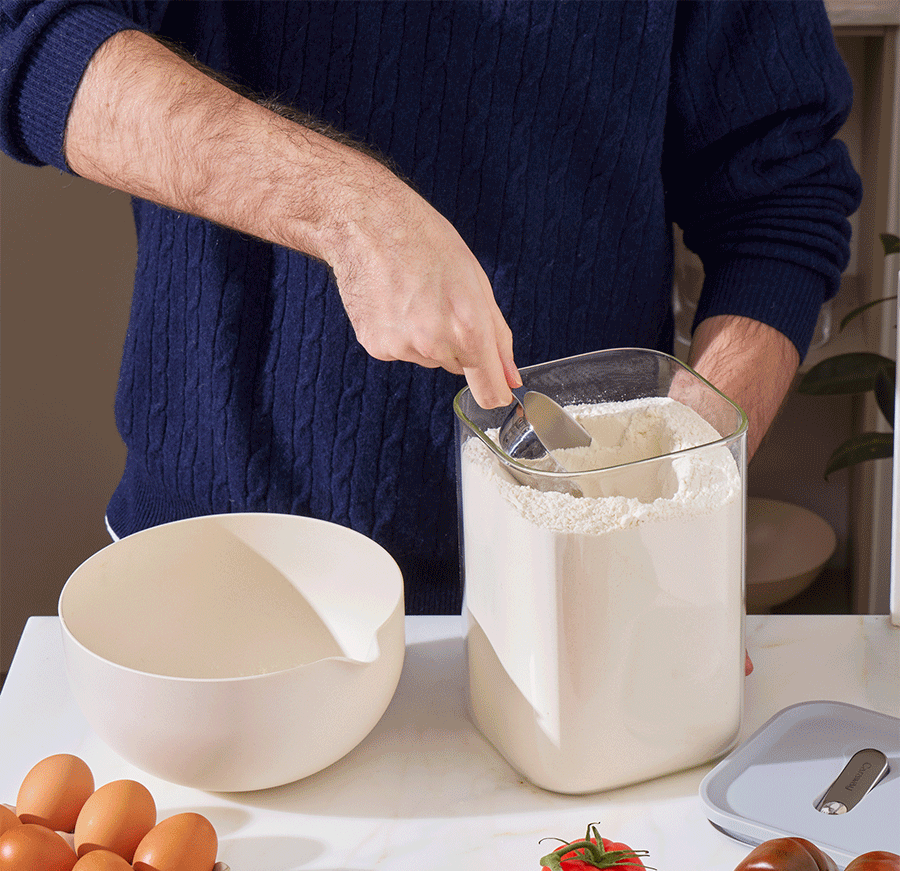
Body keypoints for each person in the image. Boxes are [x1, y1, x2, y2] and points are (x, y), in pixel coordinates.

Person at [0, 0, 862, 614]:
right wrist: (345, 208)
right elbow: (26, 29)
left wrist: (686, 487)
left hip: (578, 599)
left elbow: (778, 194)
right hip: (218, 581)